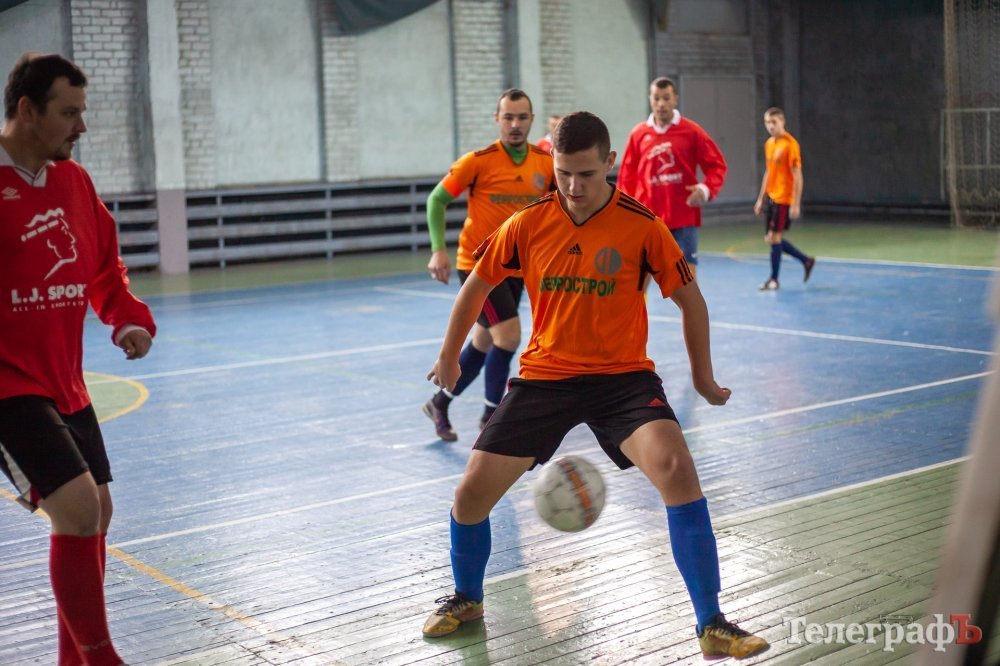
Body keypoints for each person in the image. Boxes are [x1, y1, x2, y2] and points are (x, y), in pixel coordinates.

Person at [421, 111, 768, 660]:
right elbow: (476, 285)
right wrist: (448, 356)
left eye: (585, 174)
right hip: (546, 379)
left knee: (677, 469)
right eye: (562, 174)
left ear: (610, 162)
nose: (573, 186)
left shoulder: (642, 225)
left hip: (622, 379)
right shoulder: (529, 222)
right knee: (470, 494)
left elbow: (691, 302)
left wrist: (702, 378)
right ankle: (467, 598)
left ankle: (711, 622)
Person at [0, 53, 156, 666]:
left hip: (65, 380)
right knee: (78, 507)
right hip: (7, 385)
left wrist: (128, 318)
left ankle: (76, 659)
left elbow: (103, 269)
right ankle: (100, 656)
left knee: (98, 511)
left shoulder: (75, 183)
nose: (81, 127)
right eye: (69, 113)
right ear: (27, 110)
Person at [423, 88, 554, 441]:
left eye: (522, 117)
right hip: (479, 266)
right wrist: (438, 250)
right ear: (497, 119)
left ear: (532, 119)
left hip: (518, 268)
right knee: (508, 336)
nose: (515, 124)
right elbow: (436, 200)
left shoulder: (545, 164)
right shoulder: (477, 162)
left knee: (484, 342)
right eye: (508, 117)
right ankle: (491, 417)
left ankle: (439, 403)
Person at [618, 77, 727, 278]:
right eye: (656, 98)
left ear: (675, 99)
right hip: (647, 220)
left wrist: (705, 189)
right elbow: (626, 178)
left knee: (686, 281)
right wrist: (628, 212)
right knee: (638, 280)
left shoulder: (691, 131)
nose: (661, 104)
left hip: (683, 219)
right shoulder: (638, 134)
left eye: (666, 98)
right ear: (650, 99)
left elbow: (717, 165)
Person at [753, 107, 815, 290]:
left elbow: (797, 175)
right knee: (771, 238)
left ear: (782, 121)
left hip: (784, 198)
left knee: (775, 238)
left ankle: (774, 279)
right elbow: (768, 172)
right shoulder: (769, 144)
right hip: (772, 197)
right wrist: (761, 199)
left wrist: (795, 203)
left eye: (774, 122)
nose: (770, 126)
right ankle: (806, 260)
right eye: (767, 122)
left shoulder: (790, 145)